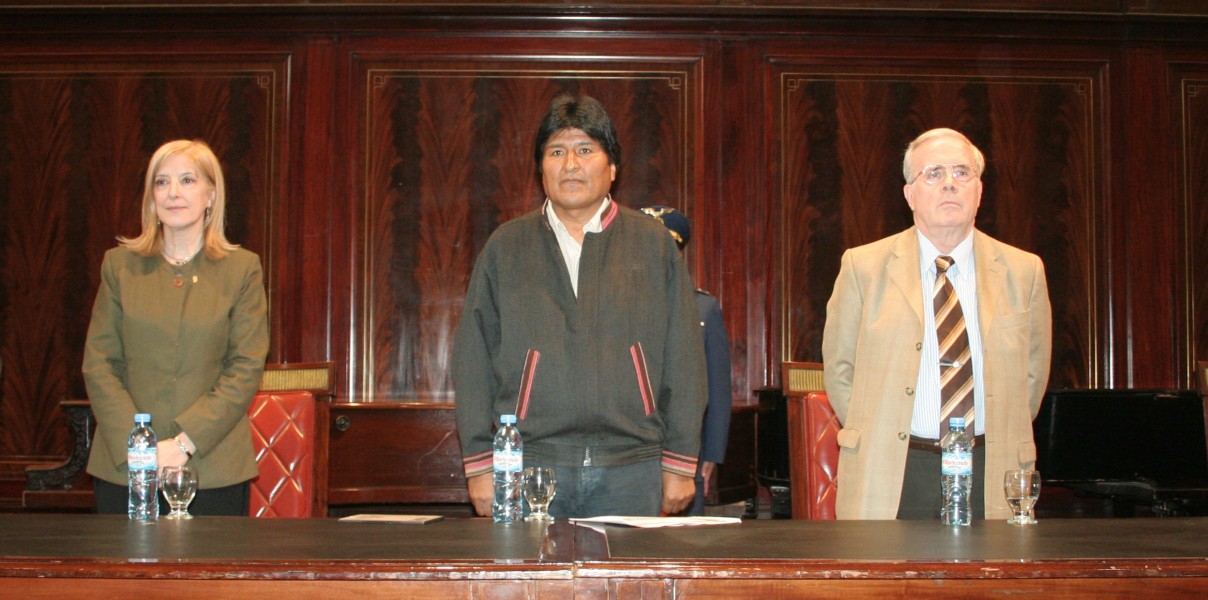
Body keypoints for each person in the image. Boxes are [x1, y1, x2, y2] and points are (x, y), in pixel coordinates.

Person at [453, 94, 707, 518]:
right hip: (527, 465)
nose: (570, 163)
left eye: (585, 149)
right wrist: (481, 467)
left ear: (612, 169)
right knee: (530, 586)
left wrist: (681, 463)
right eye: (556, 151)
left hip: (634, 466)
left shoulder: (652, 243)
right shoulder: (506, 246)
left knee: (628, 587)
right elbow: (473, 359)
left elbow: (685, 357)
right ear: (541, 169)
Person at [821, 128, 1052, 520]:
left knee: (989, 582)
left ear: (979, 190)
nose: (949, 184)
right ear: (910, 193)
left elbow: (1032, 377)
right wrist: (881, 424)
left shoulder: (1023, 270)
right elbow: (841, 371)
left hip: (991, 468)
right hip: (893, 468)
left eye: (962, 173)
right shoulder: (863, 267)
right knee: (890, 582)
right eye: (934, 174)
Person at [83, 139, 269, 516]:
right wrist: (142, 448)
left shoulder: (242, 269)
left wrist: (183, 444)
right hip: (127, 468)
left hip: (212, 467)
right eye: (161, 182)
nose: (173, 193)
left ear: (210, 194)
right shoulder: (119, 266)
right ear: (152, 199)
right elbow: (100, 364)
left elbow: (244, 368)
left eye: (187, 180)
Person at [640, 205, 732, 516]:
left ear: (679, 254)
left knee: (684, 544)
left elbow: (717, 389)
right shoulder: (617, 305)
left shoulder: (703, 308)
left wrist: (712, 454)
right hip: (630, 450)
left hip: (686, 449)